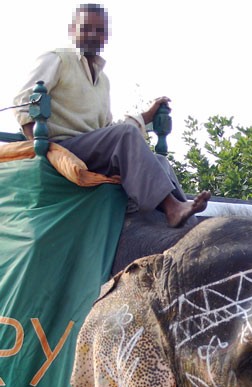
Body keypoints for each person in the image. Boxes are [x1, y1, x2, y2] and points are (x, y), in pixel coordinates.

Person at [13, 3, 210, 227]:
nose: (92, 35)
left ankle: (188, 218)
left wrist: (145, 117)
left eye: (99, 31)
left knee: (159, 161)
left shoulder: (103, 80)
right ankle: (173, 208)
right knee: (123, 135)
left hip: (93, 149)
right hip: (63, 147)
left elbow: (108, 131)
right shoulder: (57, 59)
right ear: (72, 30)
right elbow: (23, 102)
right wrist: (42, 149)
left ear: (105, 37)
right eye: (86, 28)